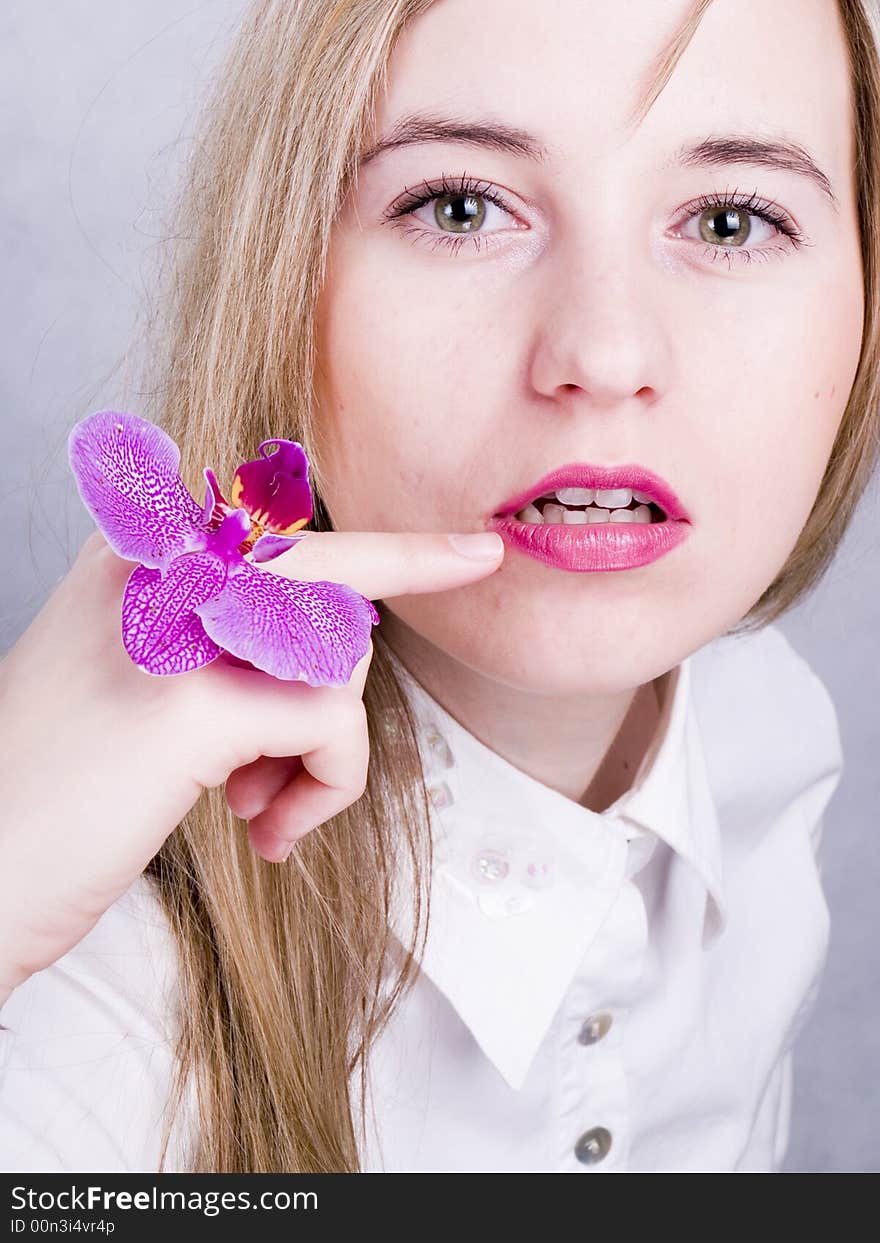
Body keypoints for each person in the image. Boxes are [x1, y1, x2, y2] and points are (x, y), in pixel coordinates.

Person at [0, 0, 876, 1174]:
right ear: (284, 275)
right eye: (459, 207)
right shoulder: (102, 997)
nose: (603, 355)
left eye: (730, 219)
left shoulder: (772, 737)